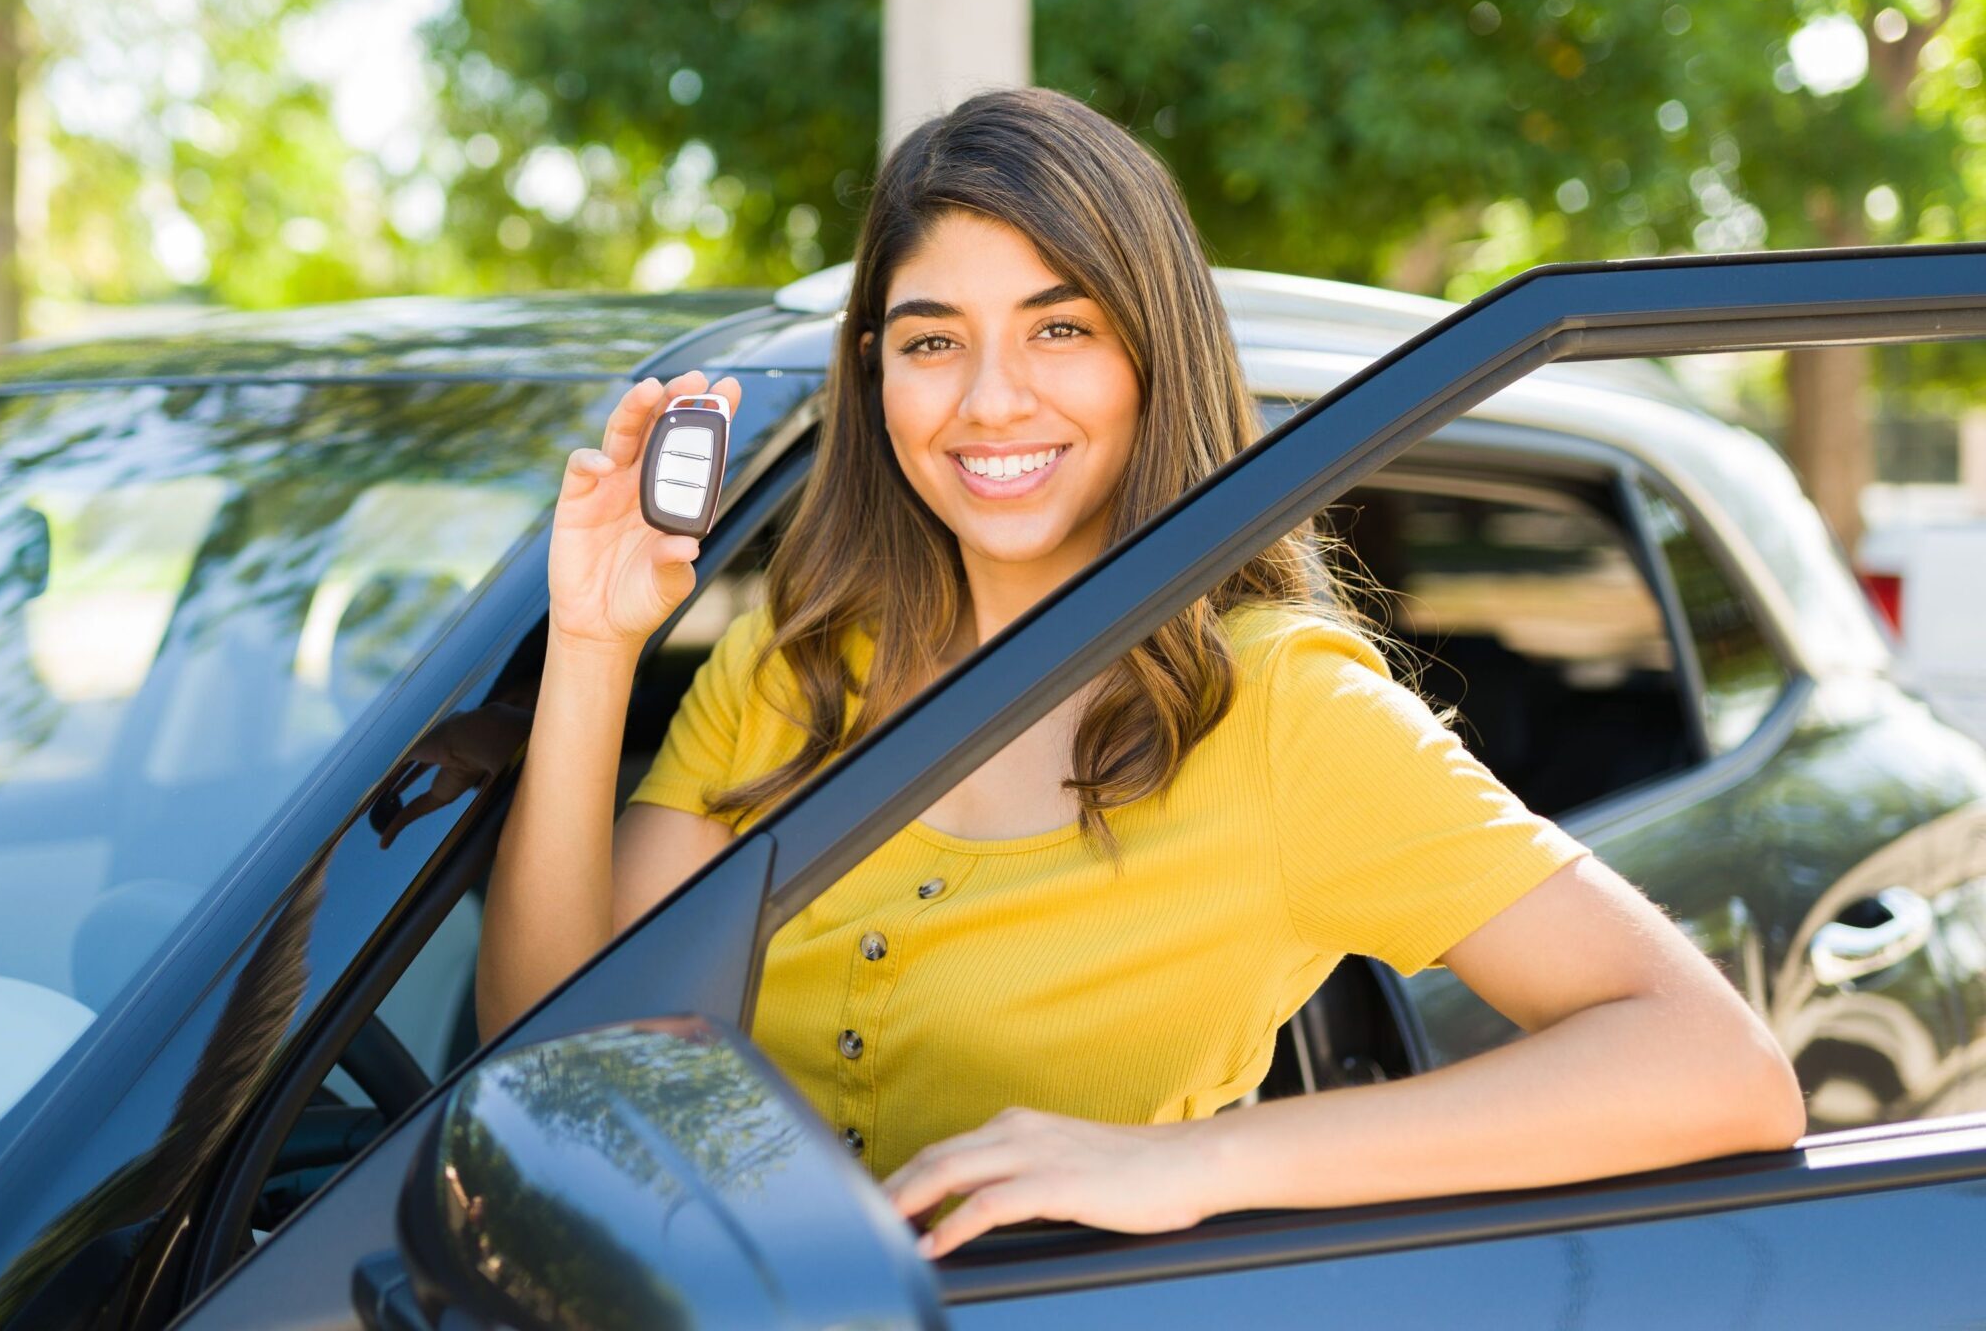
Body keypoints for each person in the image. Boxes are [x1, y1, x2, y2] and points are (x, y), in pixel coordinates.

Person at [474, 85, 1805, 1258]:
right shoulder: (801, 658)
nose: (990, 398)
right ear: (876, 372)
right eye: (933, 339)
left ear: (1152, 353)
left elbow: (1721, 1068)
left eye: (1062, 329)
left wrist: (1189, 1167)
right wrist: (595, 645)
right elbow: (547, 1058)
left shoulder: (1288, 713)